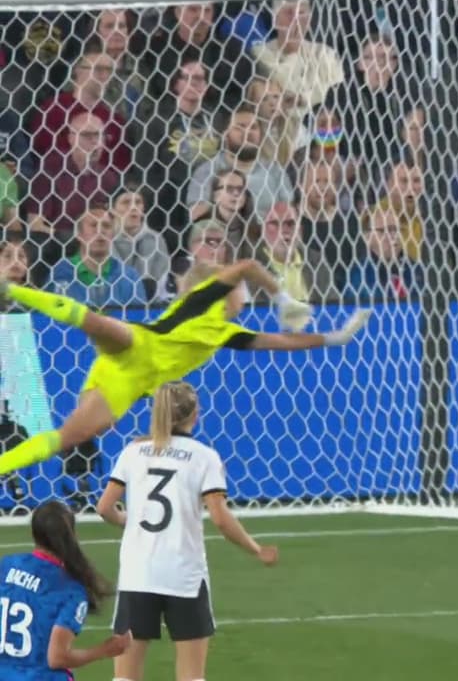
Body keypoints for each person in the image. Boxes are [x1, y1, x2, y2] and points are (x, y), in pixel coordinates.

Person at [0, 258, 372, 476]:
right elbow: (247, 265)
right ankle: (10, 290)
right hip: (140, 342)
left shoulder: (225, 333)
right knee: (95, 323)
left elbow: (283, 342)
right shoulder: (201, 300)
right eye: (241, 293)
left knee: (68, 437)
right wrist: (282, 298)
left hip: (131, 381)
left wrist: (335, 337)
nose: (244, 299)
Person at [96, 381, 278, 681]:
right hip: (184, 576)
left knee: (125, 677)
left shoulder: (133, 451)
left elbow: (104, 507)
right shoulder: (204, 457)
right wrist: (256, 549)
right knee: (192, 676)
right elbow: (221, 519)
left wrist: (131, 520)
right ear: (195, 414)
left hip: (138, 574)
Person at [0, 500, 131, 680]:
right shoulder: (70, 590)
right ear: (71, 535)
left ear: (34, 532)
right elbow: (57, 658)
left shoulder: (6, 566)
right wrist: (104, 650)